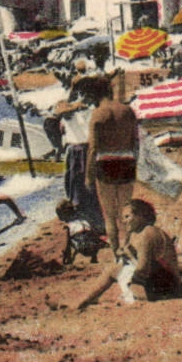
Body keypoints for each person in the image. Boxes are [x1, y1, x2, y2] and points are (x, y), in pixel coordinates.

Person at [76, 198, 180, 309]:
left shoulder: (147, 233)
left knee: (113, 270)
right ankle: (86, 299)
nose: (124, 221)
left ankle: (83, 301)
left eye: (127, 217)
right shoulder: (143, 232)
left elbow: (142, 268)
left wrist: (131, 285)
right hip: (170, 284)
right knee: (116, 269)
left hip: (165, 288)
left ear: (140, 215)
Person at [84, 74, 140, 254]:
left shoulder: (98, 114)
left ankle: (116, 251)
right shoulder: (127, 110)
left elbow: (93, 149)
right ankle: (128, 247)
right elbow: (136, 142)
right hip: (127, 162)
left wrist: (88, 176)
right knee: (126, 210)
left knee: (110, 214)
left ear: (94, 95)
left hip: (106, 165)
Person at [52, 71, 102, 239]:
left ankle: (93, 223)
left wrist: (79, 104)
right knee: (75, 188)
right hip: (76, 149)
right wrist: (77, 104)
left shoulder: (94, 107)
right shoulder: (69, 106)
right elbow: (58, 110)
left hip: (87, 148)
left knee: (88, 188)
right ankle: (86, 223)